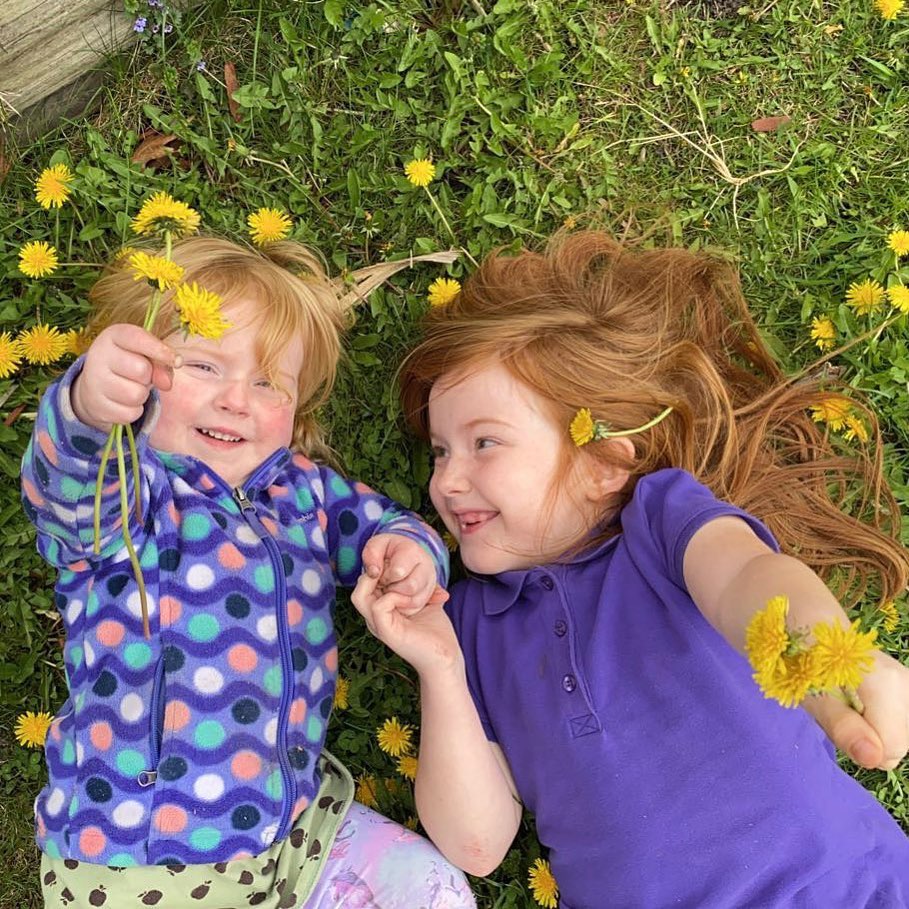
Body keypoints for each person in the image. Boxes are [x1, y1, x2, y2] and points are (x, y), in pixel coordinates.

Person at [353, 231, 909, 908]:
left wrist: (823, 652)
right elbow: (477, 843)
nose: (446, 479)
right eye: (439, 450)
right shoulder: (469, 622)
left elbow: (748, 579)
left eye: (483, 442)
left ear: (602, 462)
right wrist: (437, 667)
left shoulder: (660, 524)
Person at [22, 236, 476, 908]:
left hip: (301, 832)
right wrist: (89, 406)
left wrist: (408, 552)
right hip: (139, 861)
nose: (236, 399)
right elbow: (64, 478)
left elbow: (383, 526)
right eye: (203, 365)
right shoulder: (129, 493)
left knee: (433, 889)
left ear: (296, 411)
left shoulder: (309, 495)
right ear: (140, 377)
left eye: (268, 382)